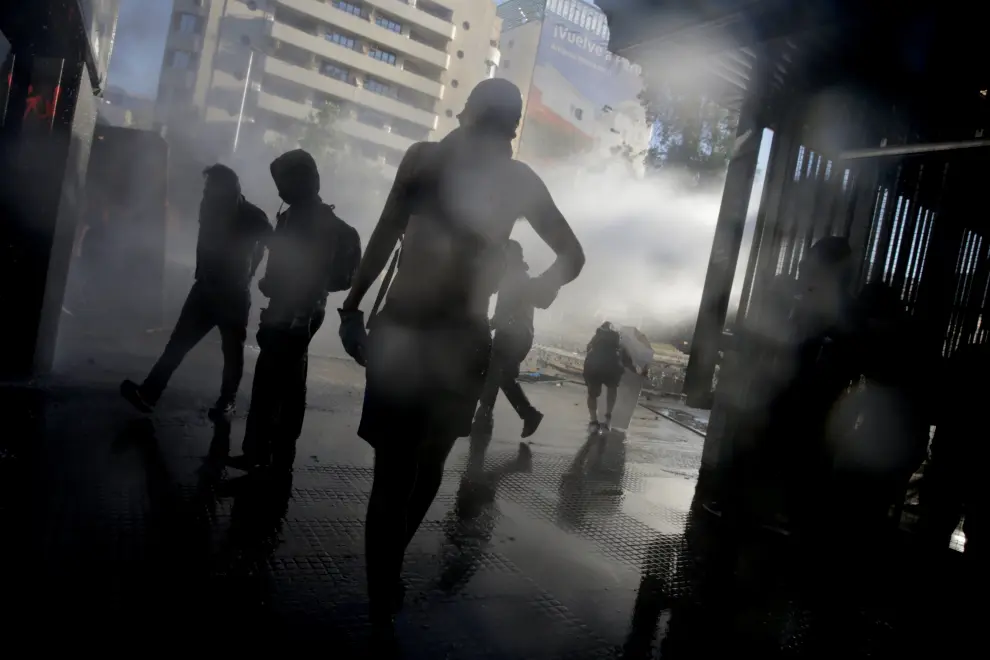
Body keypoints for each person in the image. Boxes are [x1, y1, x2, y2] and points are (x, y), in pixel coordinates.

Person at [336, 78, 585, 639]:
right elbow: (572, 255)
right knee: (424, 467)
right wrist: (542, 288)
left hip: (407, 329)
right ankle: (386, 582)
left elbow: (385, 233)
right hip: (461, 339)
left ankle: (382, 592)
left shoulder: (426, 160)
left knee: (396, 473)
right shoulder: (515, 180)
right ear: (513, 126)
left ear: (467, 112)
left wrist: (352, 307)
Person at [231, 149, 361, 472]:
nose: (280, 190)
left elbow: (321, 274)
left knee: (272, 380)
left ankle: (262, 453)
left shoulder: (312, 221)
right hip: (291, 307)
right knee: (286, 380)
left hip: (299, 310)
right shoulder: (293, 216)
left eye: (285, 182)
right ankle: (275, 453)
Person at [121, 164, 271, 419]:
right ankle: (149, 393)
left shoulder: (252, 215)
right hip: (205, 288)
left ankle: (227, 400)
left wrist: (255, 274)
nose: (207, 191)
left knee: (231, 352)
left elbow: (272, 245)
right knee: (177, 345)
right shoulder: (210, 206)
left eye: (211, 186)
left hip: (232, 293)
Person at [470, 240, 544, 455]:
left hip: (513, 335)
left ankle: (524, 415)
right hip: (518, 335)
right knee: (496, 376)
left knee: (497, 375)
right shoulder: (519, 276)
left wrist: (487, 326)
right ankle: (484, 422)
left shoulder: (513, 278)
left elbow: (504, 311)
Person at [583, 321, 635, 434]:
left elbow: (588, 350)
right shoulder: (619, 342)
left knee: (592, 394)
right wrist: (638, 371)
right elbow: (627, 361)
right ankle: (607, 418)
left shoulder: (596, 339)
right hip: (612, 369)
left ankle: (593, 421)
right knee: (612, 390)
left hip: (594, 368)